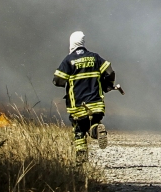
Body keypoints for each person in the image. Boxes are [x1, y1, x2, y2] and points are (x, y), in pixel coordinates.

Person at [52, 31, 123, 161]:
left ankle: (81, 159)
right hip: (96, 104)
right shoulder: (95, 57)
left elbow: (57, 80)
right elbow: (110, 71)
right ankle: (97, 130)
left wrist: (68, 81)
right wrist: (108, 85)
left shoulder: (69, 60)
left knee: (79, 130)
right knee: (93, 124)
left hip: (78, 105)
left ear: (71, 42)